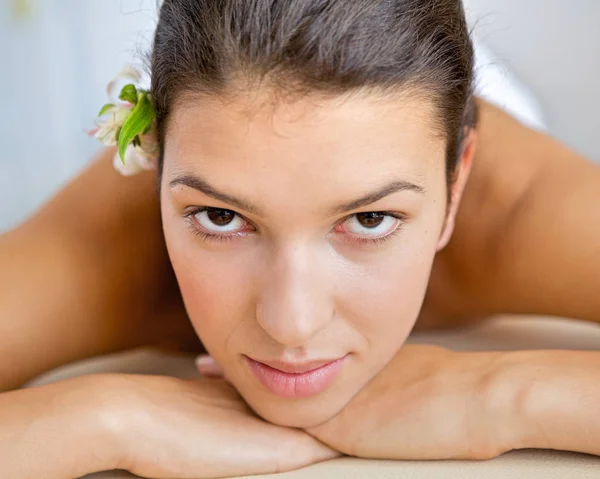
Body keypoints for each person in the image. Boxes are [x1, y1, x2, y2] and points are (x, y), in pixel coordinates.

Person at [1, 1, 600, 478]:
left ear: (455, 181)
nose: (292, 325)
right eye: (221, 219)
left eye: (369, 220)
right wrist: (104, 421)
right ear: (156, 169)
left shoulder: (529, 213)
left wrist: (504, 394)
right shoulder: (108, 244)